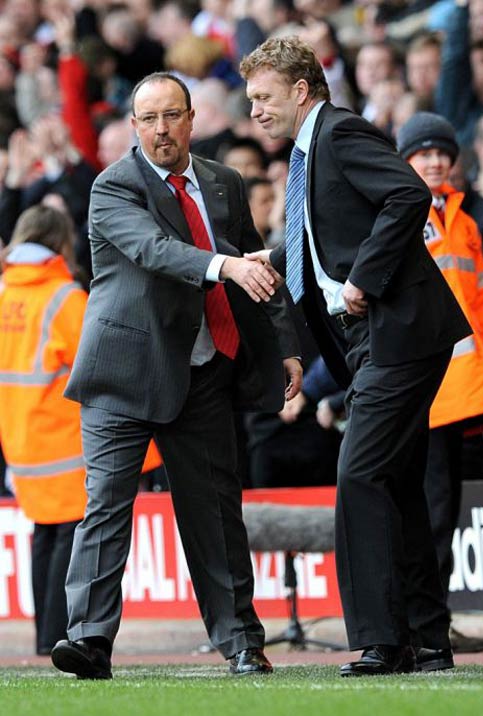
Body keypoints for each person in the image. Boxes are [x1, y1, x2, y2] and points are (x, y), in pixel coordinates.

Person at [50, 71, 302, 680]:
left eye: (172, 116)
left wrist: (287, 346)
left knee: (216, 511)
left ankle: (242, 642)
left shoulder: (225, 183)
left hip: (202, 372)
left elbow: (258, 272)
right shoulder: (113, 186)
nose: (161, 130)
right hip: (121, 374)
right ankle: (89, 641)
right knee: (107, 505)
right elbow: (155, 250)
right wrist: (225, 267)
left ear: (192, 119)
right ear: (134, 128)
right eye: (149, 120)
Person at [240, 36, 471, 676]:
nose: (254, 109)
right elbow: (327, 236)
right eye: (249, 98)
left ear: (300, 89)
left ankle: (381, 639)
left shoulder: (338, 133)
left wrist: (366, 279)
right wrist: (274, 259)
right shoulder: (309, 152)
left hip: (398, 331)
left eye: (263, 97)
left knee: (360, 475)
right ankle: (427, 639)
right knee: (393, 485)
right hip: (380, 339)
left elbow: (407, 196)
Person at [398, 111, 483, 654]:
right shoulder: (407, 215)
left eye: (442, 152)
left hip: (461, 391)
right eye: (423, 153)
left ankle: (434, 619)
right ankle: (423, 625)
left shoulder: (459, 220)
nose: (435, 160)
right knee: (430, 512)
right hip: (425, 390)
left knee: (443, 511)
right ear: (405, 160)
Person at [0, 204, 88, 655]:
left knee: (45, 537)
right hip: (65, 442)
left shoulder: (4, 294)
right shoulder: (65, 298)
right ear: (60, 242)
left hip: (20, 442)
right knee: (68, 539)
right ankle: (57, 640)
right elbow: (94, 367)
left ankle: (43, 640)